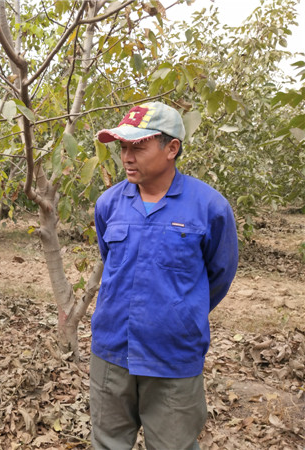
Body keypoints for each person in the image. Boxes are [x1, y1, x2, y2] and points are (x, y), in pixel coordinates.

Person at [90, 102, 239, 450]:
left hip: (172, 358)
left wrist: (178, 312)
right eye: (123, 147)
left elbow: (219, 275)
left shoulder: (209, 207)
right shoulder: (109, 204)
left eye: (137, 147)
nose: (126, 157)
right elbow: (110, 258)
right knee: (107, 443)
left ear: (171, 148)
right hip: (111, 353)